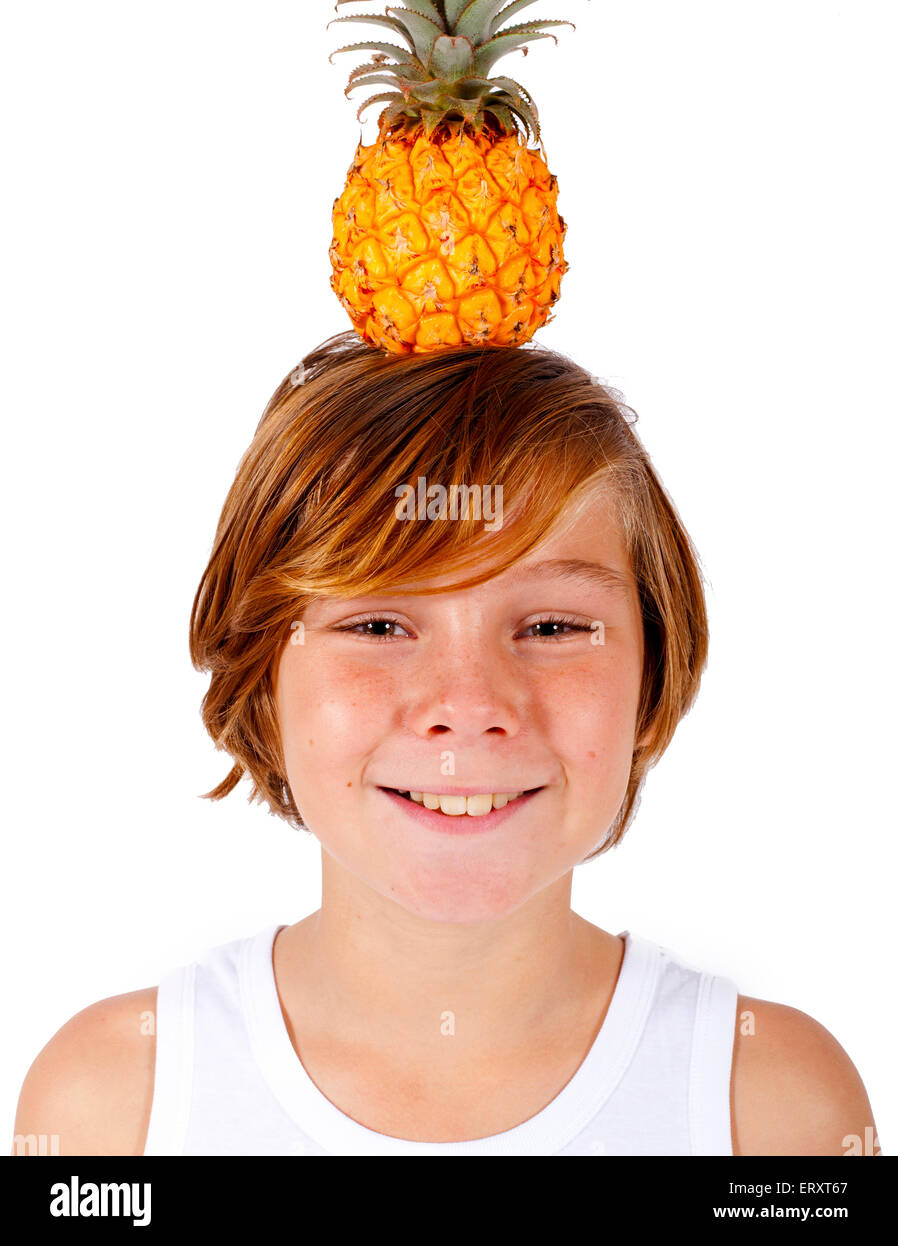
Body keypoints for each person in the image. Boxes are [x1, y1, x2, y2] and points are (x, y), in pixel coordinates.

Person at [12, 334, 880, 1155]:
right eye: (381, 623)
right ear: (263, 675)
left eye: (551, 625)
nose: (468, 707)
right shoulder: (113, 1107)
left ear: (652, 673)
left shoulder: (771, 1109)